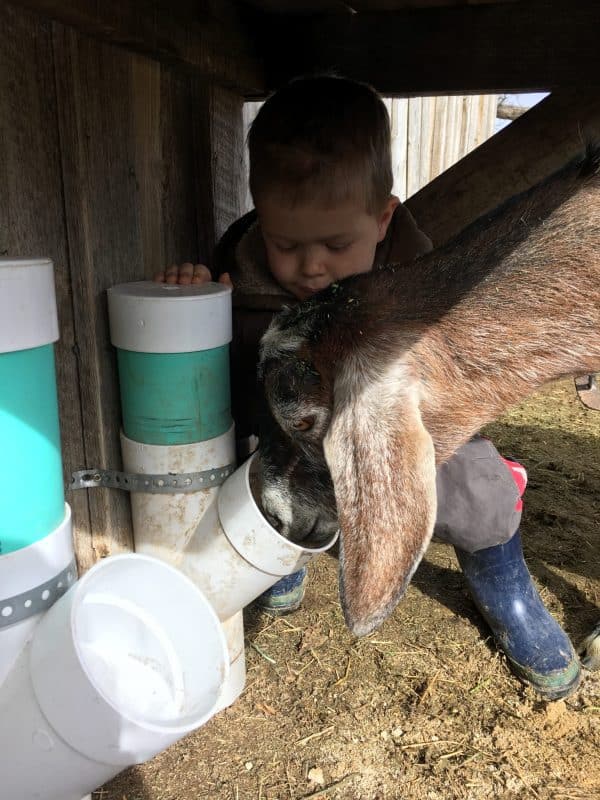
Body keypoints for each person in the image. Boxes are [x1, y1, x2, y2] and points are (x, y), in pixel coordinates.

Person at [155, 74, 581, 699]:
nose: (310, 266)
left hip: (409, 431)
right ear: (259, 219)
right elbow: (214, 356)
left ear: (384, 220)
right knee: (257, 457)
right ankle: (281, 554)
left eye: (335, 243)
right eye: (285, 243)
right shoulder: (240, 272)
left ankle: (505, 583)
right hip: (286, 449)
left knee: (479, 493)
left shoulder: (421, 283)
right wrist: (195, 296)